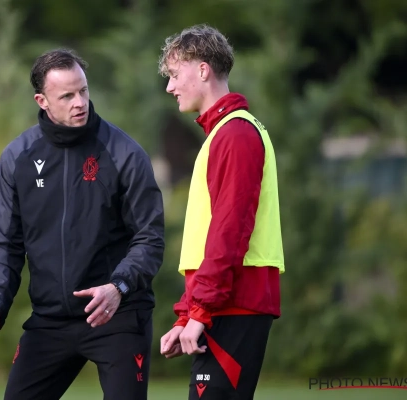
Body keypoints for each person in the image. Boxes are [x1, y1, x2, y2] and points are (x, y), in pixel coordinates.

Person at [0, 48, 165, 400]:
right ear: (42, 101)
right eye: (67, 96)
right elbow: (5, 244)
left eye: (83, 91)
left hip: (116, 312)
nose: (80, 102)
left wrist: (118, 287)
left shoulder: (124, 153)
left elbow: (150, 237)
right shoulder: (17, 158)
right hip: (50, 320)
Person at [158, 24, 285, 400]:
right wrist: (187, 314)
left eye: (174, 74)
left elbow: (229, 231)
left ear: (202, 70)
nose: (170, 87)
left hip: (234, 304)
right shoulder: (225, 133)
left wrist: (199, 311)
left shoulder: (235, 134)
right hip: (223, 304)